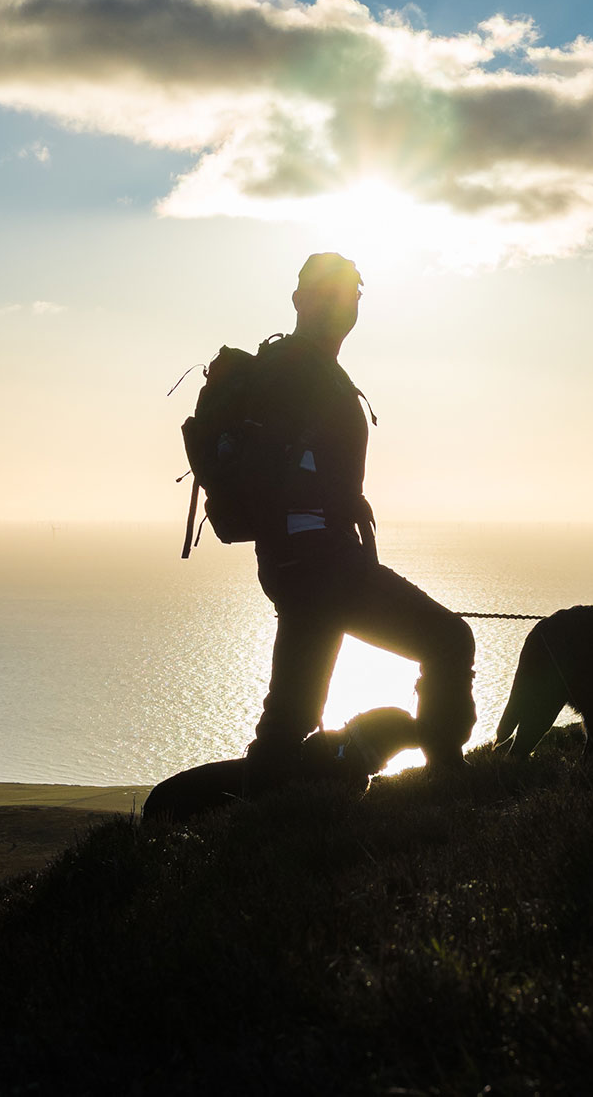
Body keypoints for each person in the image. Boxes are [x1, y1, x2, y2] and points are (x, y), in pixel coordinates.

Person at [243, 253, 476, 791]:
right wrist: (333, 506)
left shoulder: (299, 367)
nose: (342, 304)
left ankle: (255, 808)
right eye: (330, 293)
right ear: (300, 300)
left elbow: (301, 462)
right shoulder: (298, 370)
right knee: (448, 640)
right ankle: (445, 783)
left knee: (291, 720)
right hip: (321, 561)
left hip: (296, 561)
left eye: (351, 295)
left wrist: (346, 501)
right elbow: (292, 464)